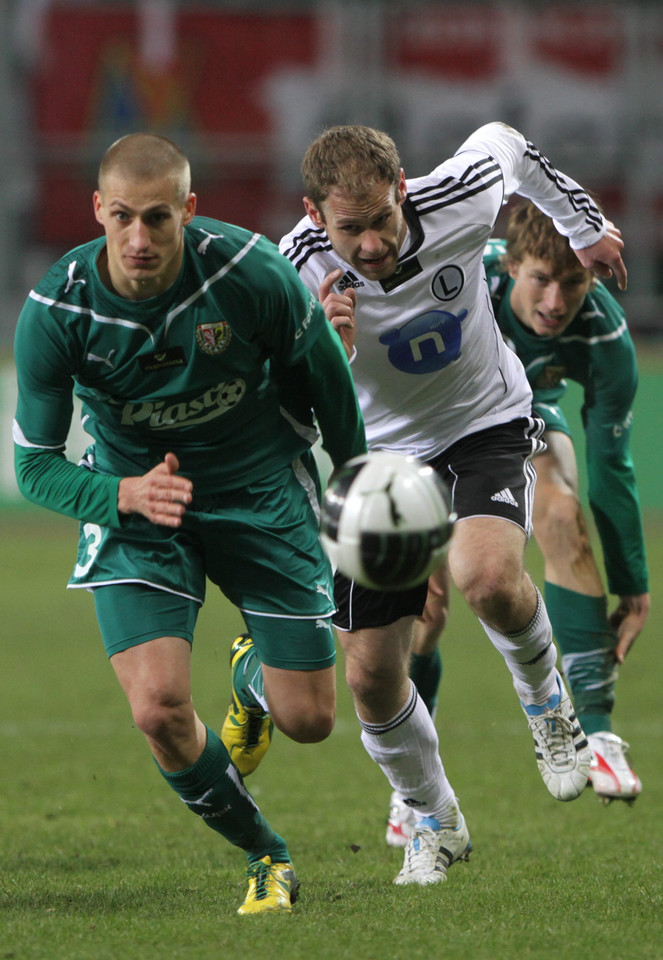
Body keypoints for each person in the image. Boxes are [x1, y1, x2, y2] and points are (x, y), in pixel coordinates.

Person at [12, 133, 366, 916]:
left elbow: (327, 387)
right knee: (158, 710)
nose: (140, 240)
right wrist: (122, 497)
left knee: (308, 720)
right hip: (140, 502)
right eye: (124, 219)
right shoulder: (58, 309)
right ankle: (265, 856)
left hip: (261, 488)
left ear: (189, 211)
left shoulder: (248, 273)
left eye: (159, 220)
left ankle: (254, 678)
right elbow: (35, 466)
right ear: (97, 211)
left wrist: (359, 485)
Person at [278, 121, 628, 886]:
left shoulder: (458, 197)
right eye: (350, 228)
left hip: (484, 422)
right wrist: (319, 354)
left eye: (381, 219)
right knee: (371, 675)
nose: (371, 244)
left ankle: (546, 705)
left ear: (402, 190)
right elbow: (278, 407)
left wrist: (585, 227)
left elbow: (509, 144)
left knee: (489, 580)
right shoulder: (293, 273)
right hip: (378, 467)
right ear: (313, 215)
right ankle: (431, 814)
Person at [385, 202, 648, 842]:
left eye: (573, 283)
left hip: (516, 425)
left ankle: (598, 729)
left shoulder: (605, 336)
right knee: (423, 607)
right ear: (512, 261)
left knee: (561, 509)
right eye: (542, 280)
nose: (556, 301)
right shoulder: (470, 274)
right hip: (425, 428)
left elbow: (612, 468)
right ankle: (413, 790)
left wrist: (634, 583)